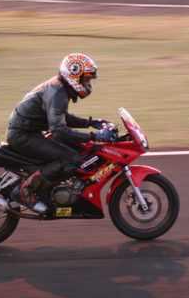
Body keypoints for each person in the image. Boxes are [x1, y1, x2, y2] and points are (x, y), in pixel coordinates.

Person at [6, 53, 115, 211]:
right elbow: (58, 131)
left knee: (75, 149)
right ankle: (26, 190)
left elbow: (61, 117)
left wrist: (91, 123)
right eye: (86, 79)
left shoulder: (60, 88)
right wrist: (95, 136)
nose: (88, 83)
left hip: (30, 132)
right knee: (70, 158)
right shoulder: (58, 92)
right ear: (74, 75)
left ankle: (51, 189)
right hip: (23, 136)